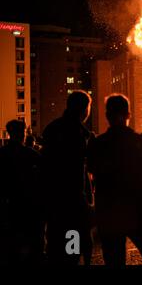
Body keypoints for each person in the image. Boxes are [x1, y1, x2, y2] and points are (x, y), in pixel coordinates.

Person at [87, 94, 142, 266]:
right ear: (129, 115)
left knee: (114, 260)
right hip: (139, 211)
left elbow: (91, 171)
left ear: (107, 115)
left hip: (109, 213)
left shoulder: (98, 144)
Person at [41, 90, 94, 265]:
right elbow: (79, 172)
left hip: (53, 200)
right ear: (85, 109)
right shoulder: (79, 134)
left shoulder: (52, 129)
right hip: (73, 204)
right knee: (72, 249)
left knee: (56, 247)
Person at [0, 120, 43, 265]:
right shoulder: (30, 154)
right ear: (22, 134)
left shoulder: (2, 154)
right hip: (28, 205)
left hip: (9, 205)